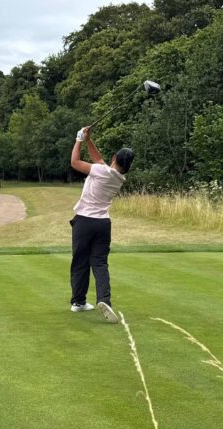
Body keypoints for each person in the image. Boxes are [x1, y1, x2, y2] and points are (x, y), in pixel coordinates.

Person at [69, 126, 134, 324]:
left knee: (80, 261)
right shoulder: (118, 177)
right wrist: (89, 140)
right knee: (100, 263)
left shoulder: (102, 172)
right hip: (103, 224)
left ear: (114, 157)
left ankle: (79, 302)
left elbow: (74, 162)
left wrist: (79, 139)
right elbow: (98, 160)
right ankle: (104, 300)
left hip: (84, 222)